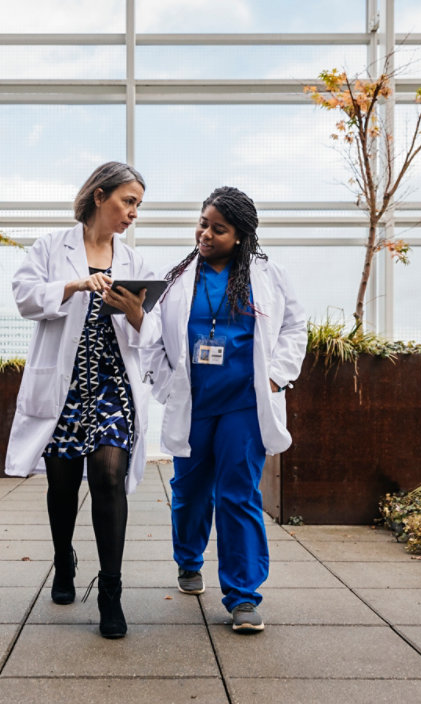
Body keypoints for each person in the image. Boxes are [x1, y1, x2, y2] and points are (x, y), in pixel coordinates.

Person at [142, 186, 306, 633]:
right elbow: (152, 336)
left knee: (239, 494)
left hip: (245, 404)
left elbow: (295, 325)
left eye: (219, 229)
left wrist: (276, 377)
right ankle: (189, 558)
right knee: (190, 491)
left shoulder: (267, 274)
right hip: (193, 403)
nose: (206, 234)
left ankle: (243, 596)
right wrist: (167, 383)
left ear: (240, 236)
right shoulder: (176, 276)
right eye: (202, 223)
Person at [5, 162, 158, 639]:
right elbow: (24, 297)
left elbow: (150, 333)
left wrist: (134, 312)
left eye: (137, 205)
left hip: (113, 386)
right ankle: (63, 560)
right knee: (63, 485)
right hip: (66, 389)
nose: (132, 213)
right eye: (127, 201)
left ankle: (110, 591)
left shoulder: (134, 264)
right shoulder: (52, 248)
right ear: (99, 196)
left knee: (110, 476)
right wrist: (73, 286)